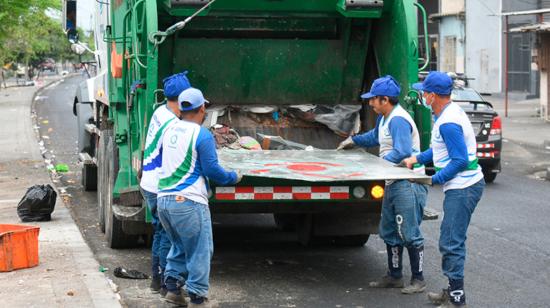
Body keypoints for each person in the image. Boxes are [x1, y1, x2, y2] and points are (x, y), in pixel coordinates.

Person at [337, 75, 428, 294]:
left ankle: (418, 279)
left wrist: (374, 163)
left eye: (373, 100)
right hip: (392, 181)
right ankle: (394, 276)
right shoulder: (385, 118)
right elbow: (375, 137)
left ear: (384, 99)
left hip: (408, 182)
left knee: (409, 232)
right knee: (388, 230)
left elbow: (403, 152)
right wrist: (354, 141)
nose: (370, 103)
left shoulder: (398, 120)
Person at [404, 71, 485, 307]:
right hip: (463, 185)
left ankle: (457, 298)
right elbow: (440, 151)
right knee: (450, 239)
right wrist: (416, 159)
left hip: (463, 187)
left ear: (432, 95)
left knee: (451, 241)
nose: (421, 95)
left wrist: (435, 178)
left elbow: (459, 160)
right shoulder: (445, 115)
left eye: (423, 92)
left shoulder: (448, 122)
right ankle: (452, 290)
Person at [157, 87, 241, 307]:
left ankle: (173, 289)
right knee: (201, 250)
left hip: (164, 201)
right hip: (188, 202)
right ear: (202, 108)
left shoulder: (169, 129)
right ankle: (197, 297)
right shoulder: (201, 134)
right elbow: (212, 169)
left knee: (179, 246)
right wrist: (233, 177)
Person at [140, 72, 191, 295]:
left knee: (160, 233)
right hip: (158, 186)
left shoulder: (161, 112)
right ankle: (164, 283)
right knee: (168, 236)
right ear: (181, 99)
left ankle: (156, 280)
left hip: (149, 183)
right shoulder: (173, 125)